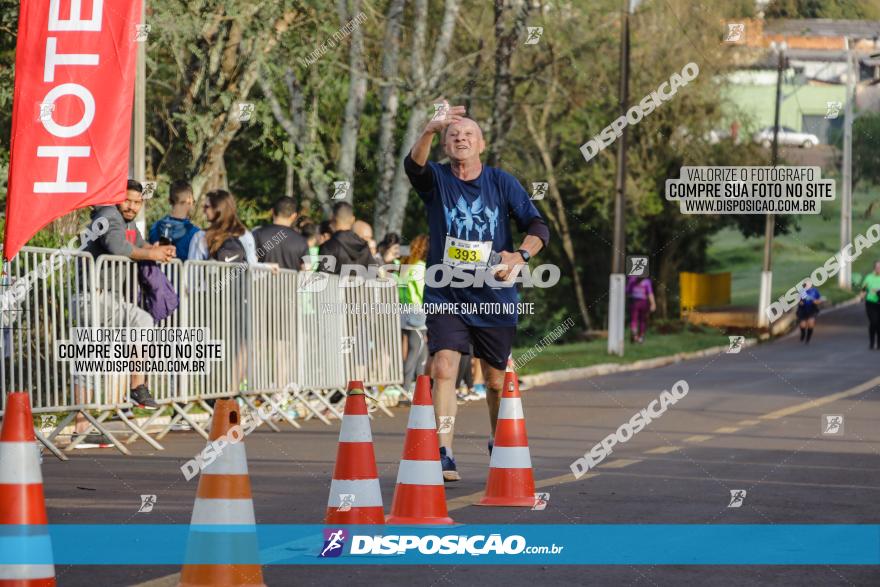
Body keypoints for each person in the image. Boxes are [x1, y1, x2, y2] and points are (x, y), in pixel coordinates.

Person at [403, 100, 550, 481]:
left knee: (497, 379)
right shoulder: (437, 180)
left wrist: (519, 257)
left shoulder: (501, 183)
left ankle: (497, 439)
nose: (461, 139)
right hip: (445, 292)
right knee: (444, 365)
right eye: (453, 135)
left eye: (468, 134)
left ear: (481, 144)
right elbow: (412, 167)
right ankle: (444, 450)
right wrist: (429, 129)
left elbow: (538, 227)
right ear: (445, 145)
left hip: (494, 295)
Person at [77, 180, 176, 421]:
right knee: (92, 361)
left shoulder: (127, 221)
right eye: (127, 200)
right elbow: (117, 246)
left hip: (106, 300)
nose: (132, 206)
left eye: (137, 202)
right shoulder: (109, 215)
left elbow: (138, 244)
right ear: (116, 198)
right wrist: (151, 254)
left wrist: (156, 249)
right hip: (92, 297)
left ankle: (90, 424)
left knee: (94, 362)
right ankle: (135, 389)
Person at [189, 190, 259, 263]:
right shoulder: (244, 235)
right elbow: (252, 266)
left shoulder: (201, 236)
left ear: (218, 209)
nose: (204, 210)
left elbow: (192, 270)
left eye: (206, 207)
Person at [399, 234, 428, 391]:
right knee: (416, 350)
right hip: (417, 311)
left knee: (418, 350)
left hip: (405, 310)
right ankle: (407, 388)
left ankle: (416, 387)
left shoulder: (406, 266)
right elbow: (424, 292)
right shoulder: (421, 267)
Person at [148, 180, 200, 260]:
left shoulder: (155, 227)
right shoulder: (195, 233)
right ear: (189, 200)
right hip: (182, 272)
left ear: (169, 200)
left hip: (157, 272)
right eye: (194, 201)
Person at [252, 196, 310, 270]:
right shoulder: (302, 241)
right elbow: (307, 268)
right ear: (294, 216)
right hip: (290, 281)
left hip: (261, 281)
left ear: (272, 212)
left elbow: (251, 262)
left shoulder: (257, 234)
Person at [317, 202, 376, 274]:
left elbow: (321, 280)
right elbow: (374, 277)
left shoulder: (329, 247)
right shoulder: (365, 248)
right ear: (353, 220)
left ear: (332, 218)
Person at [626, 274, 656, 343]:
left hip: (643, 302)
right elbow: (627, 291)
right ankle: (635, 334)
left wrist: (653, 303)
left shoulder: (646, 282)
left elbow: (650, 293)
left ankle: (640, 336)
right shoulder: (632, 279)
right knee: (635, 318)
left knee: (642, 320)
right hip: (635, 302)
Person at [860, 260, 880, 349]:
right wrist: (862, 296)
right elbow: (864, 289)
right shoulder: (869, 277)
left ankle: (879, 344)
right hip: (871, 303)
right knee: (874, 322)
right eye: (877, 267)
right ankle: (872, 343)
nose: (879, 269)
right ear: (874, 268)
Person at [796, 278, 822, 344]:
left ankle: (808, 338)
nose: (807, 285)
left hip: (812, 309)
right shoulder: (802, 291)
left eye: (809, 283)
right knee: (803, 325)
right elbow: (798, 300)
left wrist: (816, 302)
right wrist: (800, 302)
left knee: (811, 323)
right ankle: (803, 334)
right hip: (802, 309)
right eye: (806, 284)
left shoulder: (814, 291)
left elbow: (819, 300)